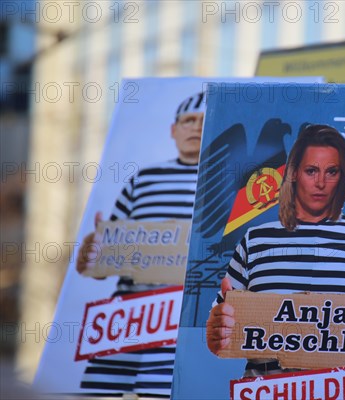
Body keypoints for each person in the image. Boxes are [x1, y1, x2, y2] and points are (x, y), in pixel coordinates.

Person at [206, 124, 345, 377]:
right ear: (293, 173)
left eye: (332, 172)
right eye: (311, 171)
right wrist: (217, 331)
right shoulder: (256, 239)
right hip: (269, 392)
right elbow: (219, 335)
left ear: (343, 176)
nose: (321, 183)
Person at [75, 92, 205, 396]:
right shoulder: (141, 180)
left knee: (159, 393)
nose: (196, 128)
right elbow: (98, 265)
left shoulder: (226, 182)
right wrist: (95, 253)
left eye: (203, 121)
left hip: (182, 322)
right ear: (174, 130)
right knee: (98, 390)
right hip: (128, 317)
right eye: (188, 121)